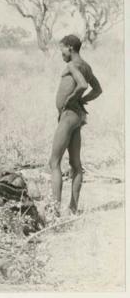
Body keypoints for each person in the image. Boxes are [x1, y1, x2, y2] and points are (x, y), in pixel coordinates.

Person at [49, 34, 102, 215]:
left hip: (69, 115)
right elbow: (98, 90)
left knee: (54, 162)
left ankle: (54, 210)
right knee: (75, 163)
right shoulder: (86, 66)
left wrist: (72, 100)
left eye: (61, 48)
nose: (61, 53)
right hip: (78, 116)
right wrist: (82, 101)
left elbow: (82, 84)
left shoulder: (72, 65)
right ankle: (73, 208)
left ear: (70, 48)